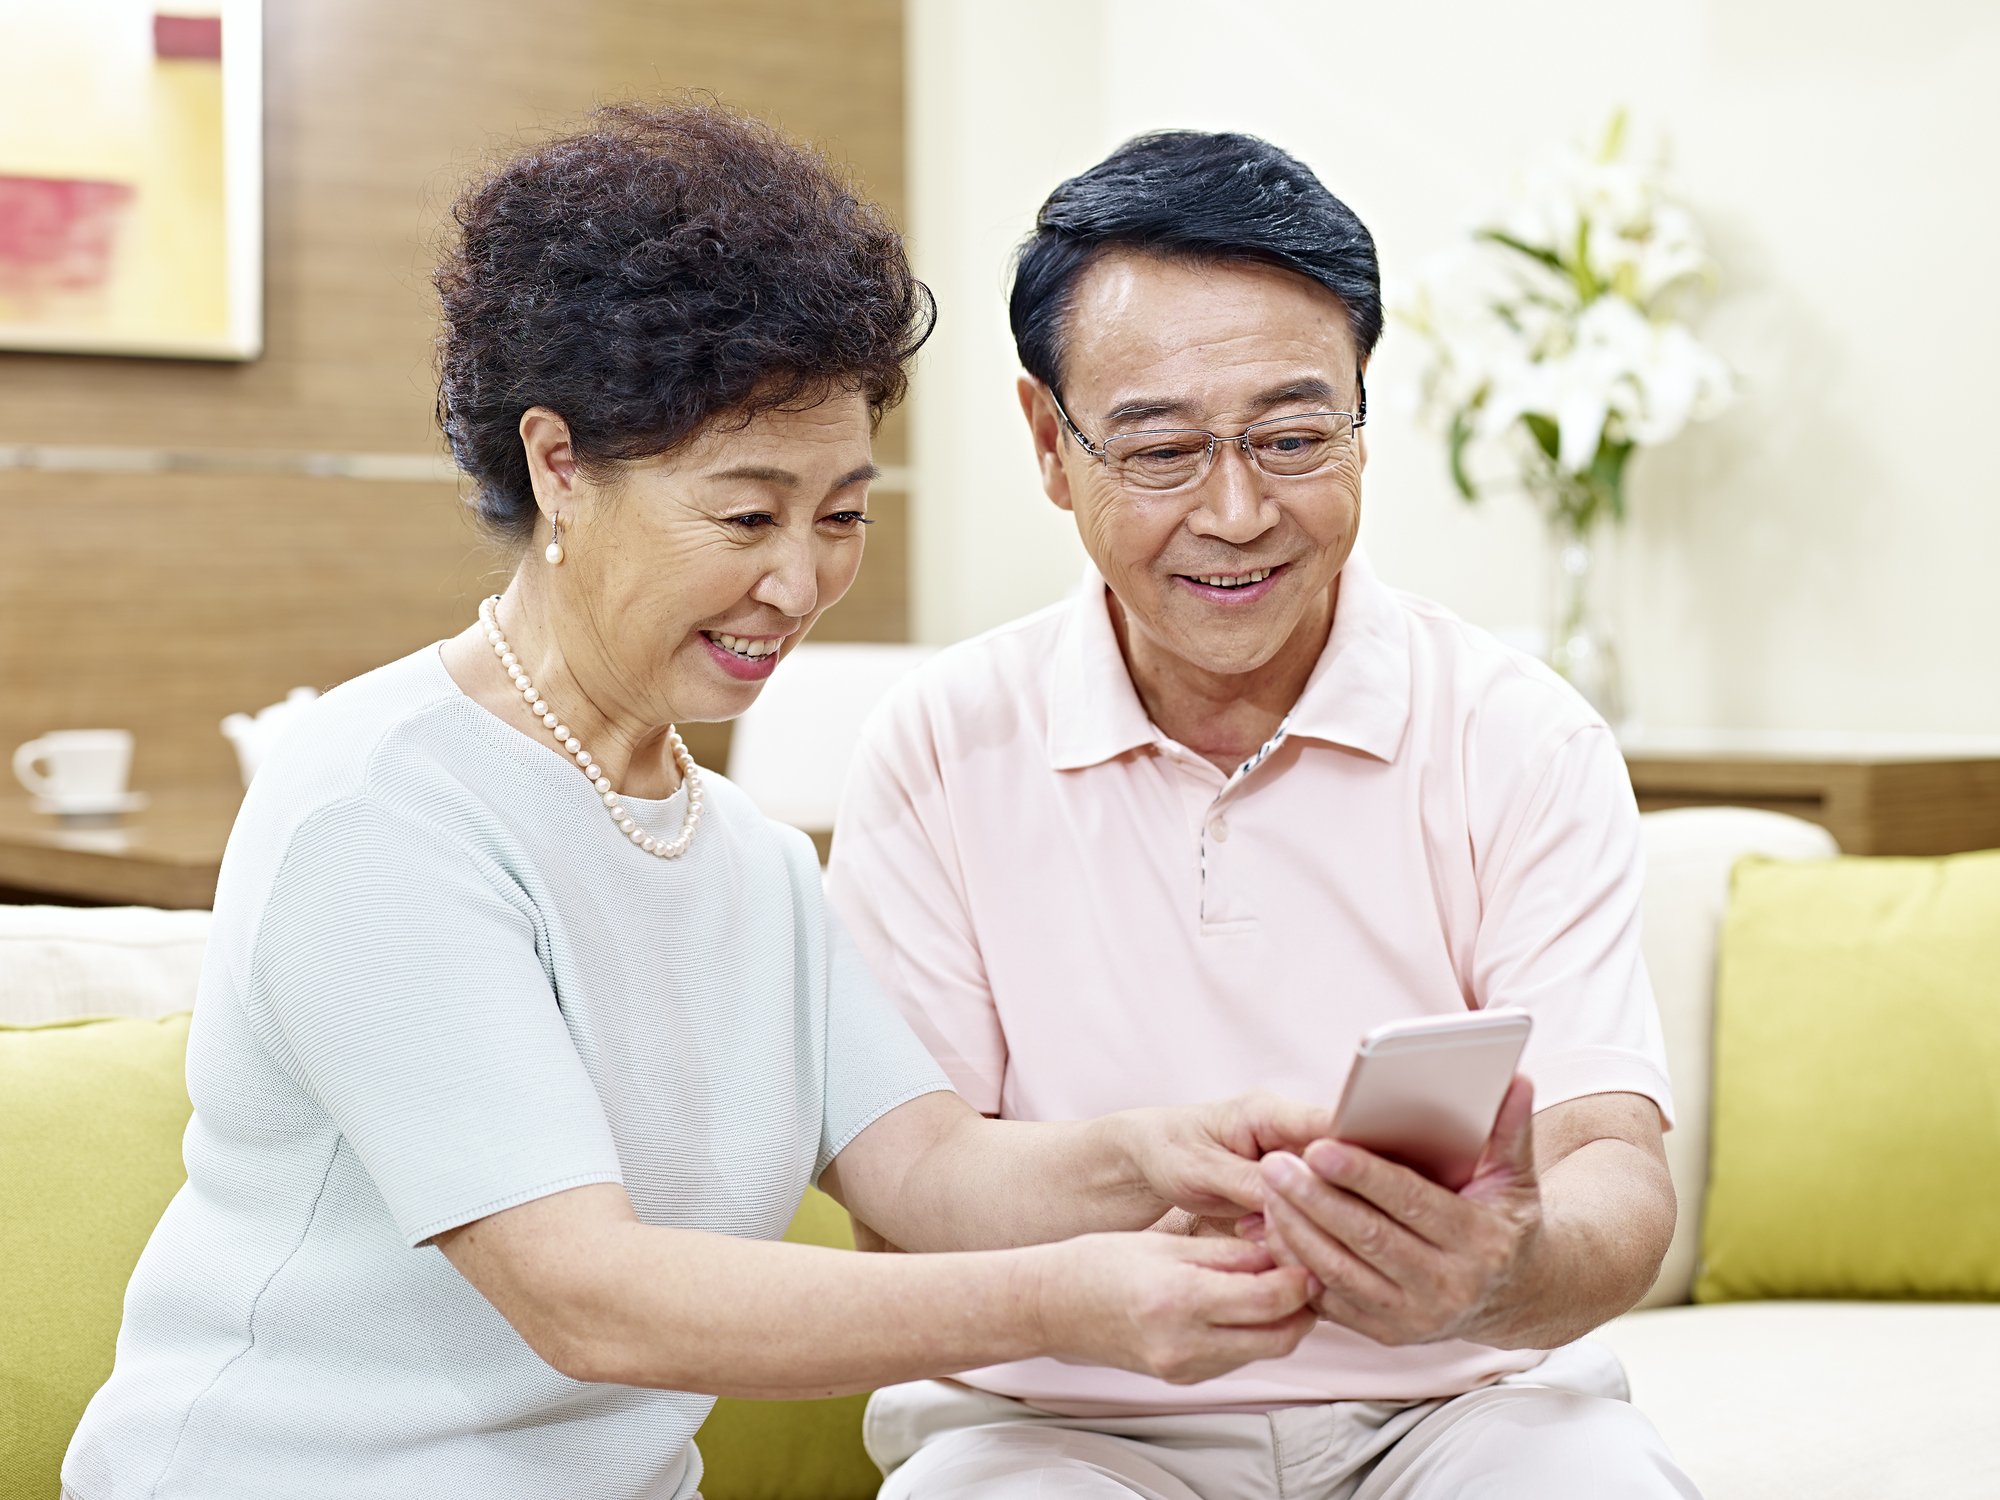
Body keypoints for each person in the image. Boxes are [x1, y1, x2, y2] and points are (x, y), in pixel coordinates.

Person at [59, 106, 1341, 1500]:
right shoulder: (377, 806)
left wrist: (1157, 1156)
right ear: (560, 465)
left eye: (841, 516)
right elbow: (589, 1298)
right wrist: (1068, 1301)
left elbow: (926, 1166)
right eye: (745, 517)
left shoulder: (745, 855)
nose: (797, 583)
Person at [826, 131, 1700, 1498]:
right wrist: (1128, 1203)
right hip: (1064, 1425)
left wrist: (1495, 1278)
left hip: (1461, 1415)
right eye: (1162, 450)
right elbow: (905, 1191)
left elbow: (1610, 1164)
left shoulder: (1519, 734)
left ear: (1363, 415)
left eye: (1294, 438)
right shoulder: (938, 748)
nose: (1237, 513)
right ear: (1050, 447)